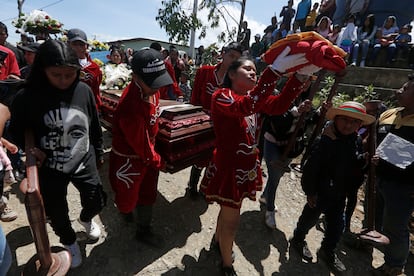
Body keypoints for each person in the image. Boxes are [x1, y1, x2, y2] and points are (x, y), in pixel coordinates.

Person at [200, 47, 322, 275]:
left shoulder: (252, 99)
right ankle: (226, 265)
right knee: (232, 221)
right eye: (247, 69)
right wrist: (273, 72)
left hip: (244, 167)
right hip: (229, 168)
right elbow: (244, 108)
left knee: (228, 213)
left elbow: (278, 106)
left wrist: (300, 77)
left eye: (256, 71)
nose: (253, 73)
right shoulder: (222, 96)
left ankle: (219, 242)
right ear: (232, 75)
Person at [9, 39, 107, 269]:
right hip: (49, 167)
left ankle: (85, 218)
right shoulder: (27, 96)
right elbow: (15, 130)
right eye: (56, 75)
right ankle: (69, 241)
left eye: (69, 74)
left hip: (84, 159)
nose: (64, 81)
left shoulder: (83, 90)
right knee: (56, 210)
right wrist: (31, 151)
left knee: (97, 199)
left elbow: (94, 124)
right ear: (43, 70)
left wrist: (99, 150)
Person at [290, 101, 375, 273]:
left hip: (339, 194)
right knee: (309, 218)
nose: (348, 125)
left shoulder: (356, 141)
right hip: (320, 193)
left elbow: (353, 166)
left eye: (354, 122)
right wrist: (310, 192)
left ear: (360, 125)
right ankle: (298, 238)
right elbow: (311, 168)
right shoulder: (324, 141)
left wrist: (365, 162)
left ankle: (327, 251)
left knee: (337, 227)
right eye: (344, 119)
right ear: (335, 119)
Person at [109, 48, 173, 248]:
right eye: (153, 83)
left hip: (147, 152)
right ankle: (126, 213)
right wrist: (160, 162)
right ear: (135, 77)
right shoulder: (131, 107)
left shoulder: (149, 89)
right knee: (127, 197)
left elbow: (153, 119)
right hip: (129, 158)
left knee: (147, 193)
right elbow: (141, 146)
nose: (157, 89)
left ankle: (143, 230)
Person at [187, 42, 243, 198]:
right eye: (231, 56)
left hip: (221, 126)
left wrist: (221, 95)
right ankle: (192, 185)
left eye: (237, 59)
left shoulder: (235, 81)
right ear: (223, 53)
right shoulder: (204, 72)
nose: (233, 61)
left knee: (214, 158)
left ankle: (206, 188)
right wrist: (193, 121)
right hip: (202, 122)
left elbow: (237, 104)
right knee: (200, 155)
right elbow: (194, 99)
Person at [371, 74, 414, 276]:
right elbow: (374, 140)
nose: (398, 91)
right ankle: (368, 242)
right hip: (377, 177)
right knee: (374, 214)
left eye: (405, 89)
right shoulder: (389, 114)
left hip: (404, 186)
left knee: (396, 225)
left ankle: (394, 265)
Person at [260, 93, 312, 229]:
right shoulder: (278, 97)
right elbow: (278, 123)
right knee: (274, 178)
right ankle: (270, 210)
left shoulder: (307, 99)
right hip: (273, 143)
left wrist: (319, 112)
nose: (305, 82)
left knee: (276, 176)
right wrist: (296, 112)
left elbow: (308, 122)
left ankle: (265, 196)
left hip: (291, 146)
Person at [67, 28, 103, 111]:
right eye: (75, 44)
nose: (78, 48)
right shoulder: (64, 65)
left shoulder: (94, 68)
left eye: (81, 44)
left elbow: (95, 90)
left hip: (88, 108)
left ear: (86, 46)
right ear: (68, 44)